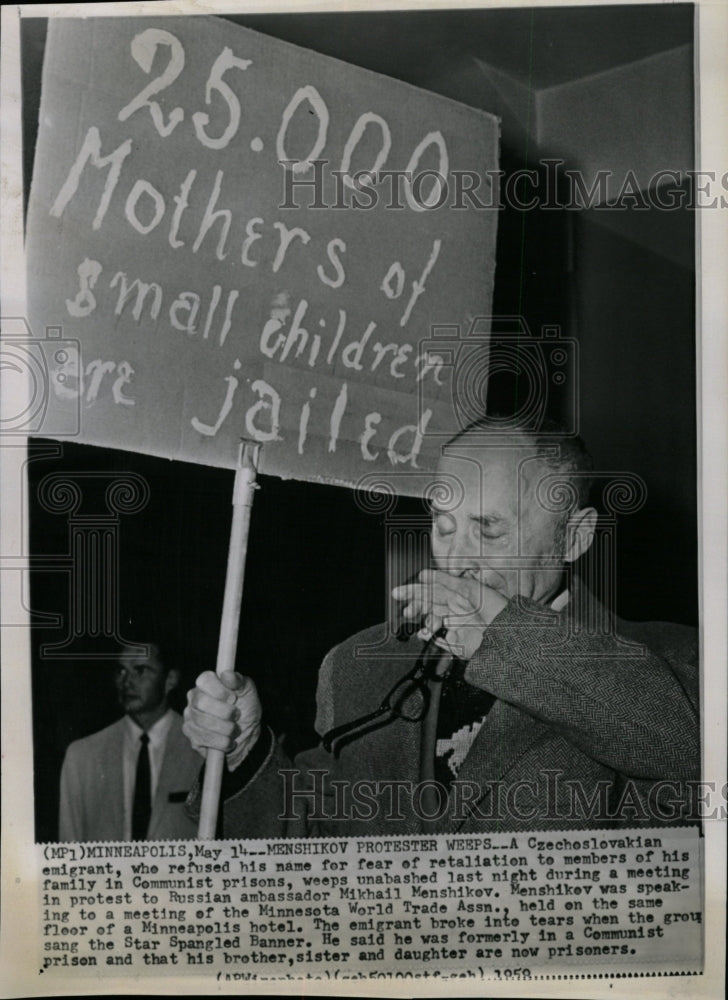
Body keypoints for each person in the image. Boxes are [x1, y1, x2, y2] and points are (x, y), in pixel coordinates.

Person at [183, 422, 700, 836]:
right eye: (444, 525)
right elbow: (310, 840)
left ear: (574, 539)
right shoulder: (357, 667)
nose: (456, 559)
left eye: (489, 529)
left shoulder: (673, 660)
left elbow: (691, 751)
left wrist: (505, 636)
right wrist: (243, 753)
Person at [59, 643, 201, 841]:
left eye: (140, 670)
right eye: (121, 671)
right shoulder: (82, 756)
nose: (126, 682)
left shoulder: (203, 748)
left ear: (170, 680)